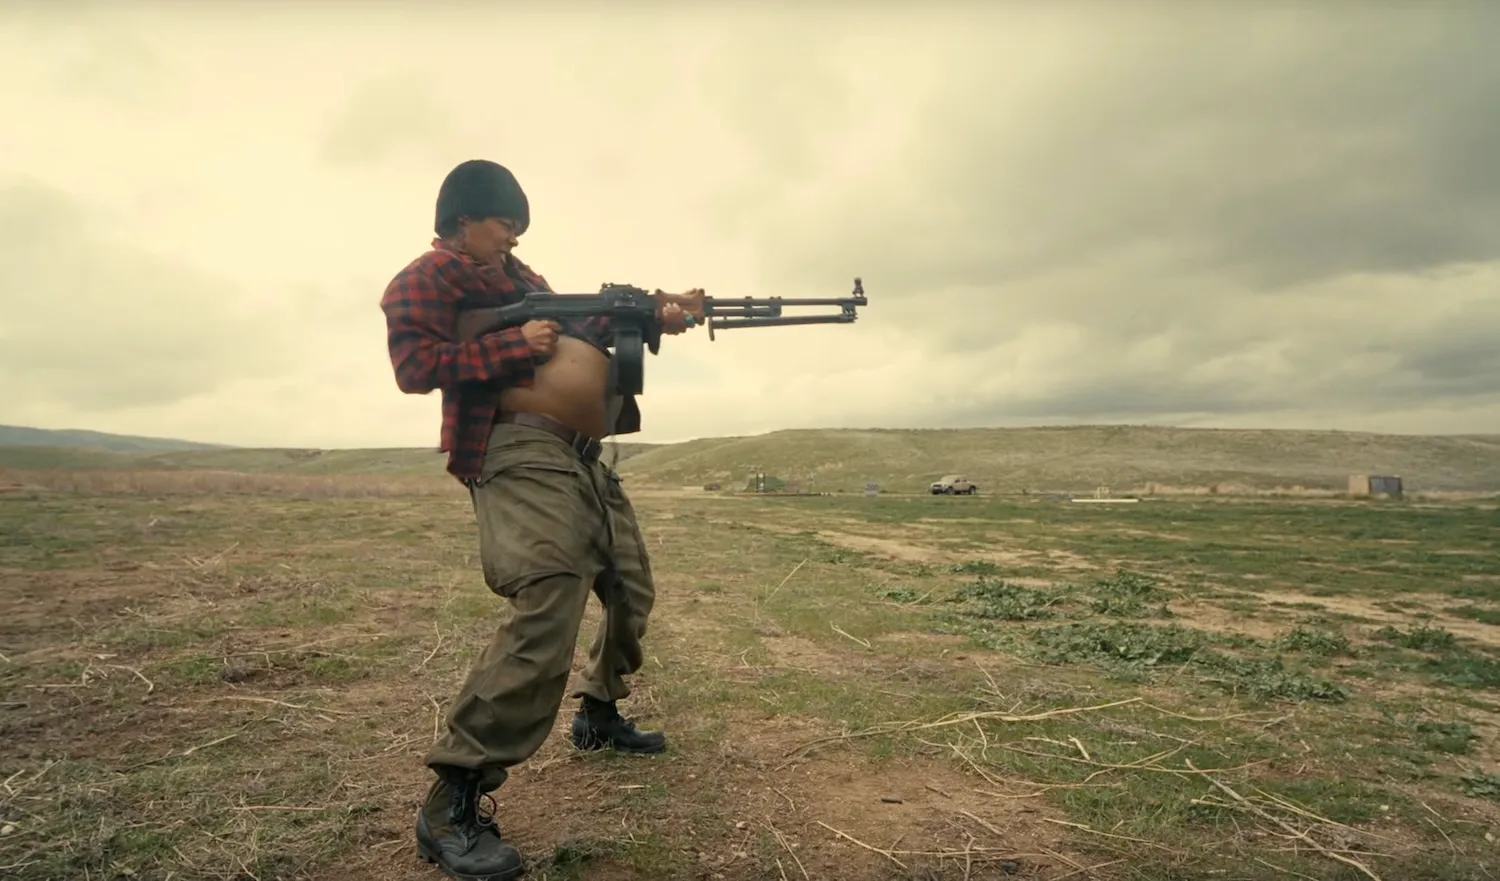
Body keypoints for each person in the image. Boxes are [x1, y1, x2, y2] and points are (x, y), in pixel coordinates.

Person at [379, 159, 699, 881]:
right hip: (518, 448)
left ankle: (598, 712)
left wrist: (655, 310)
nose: (514, 236)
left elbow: (586, 325)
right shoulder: (426, 277)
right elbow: (413, 365)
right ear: (462, 220)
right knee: (551, 591)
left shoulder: (526, 281)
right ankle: (452, 797)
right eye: (504, 223)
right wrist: (510, 347)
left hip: (583, 456)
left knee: (631, 587)